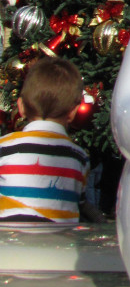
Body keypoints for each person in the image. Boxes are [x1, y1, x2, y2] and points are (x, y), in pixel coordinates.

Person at [0, 57, 90, 223]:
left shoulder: (4, 148)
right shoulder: (79, 158)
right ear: (73, 112)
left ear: (20, 107)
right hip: (60, 245)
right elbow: (80, 203)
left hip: (9, 244)